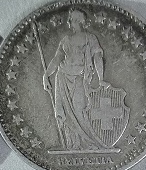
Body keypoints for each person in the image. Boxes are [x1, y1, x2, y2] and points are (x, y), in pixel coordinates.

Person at [42, 10, 106, 150]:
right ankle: (72, 145)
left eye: (70, 19)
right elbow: (57, 59)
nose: (68, 22)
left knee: (79, 110)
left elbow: (98, 58)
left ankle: (87, 143)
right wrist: (46, 75)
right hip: (62, 77)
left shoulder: (90, 38)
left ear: (78, 20)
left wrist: (101, 79)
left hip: (79, 78)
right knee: (65, 113)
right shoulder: (65, 39)